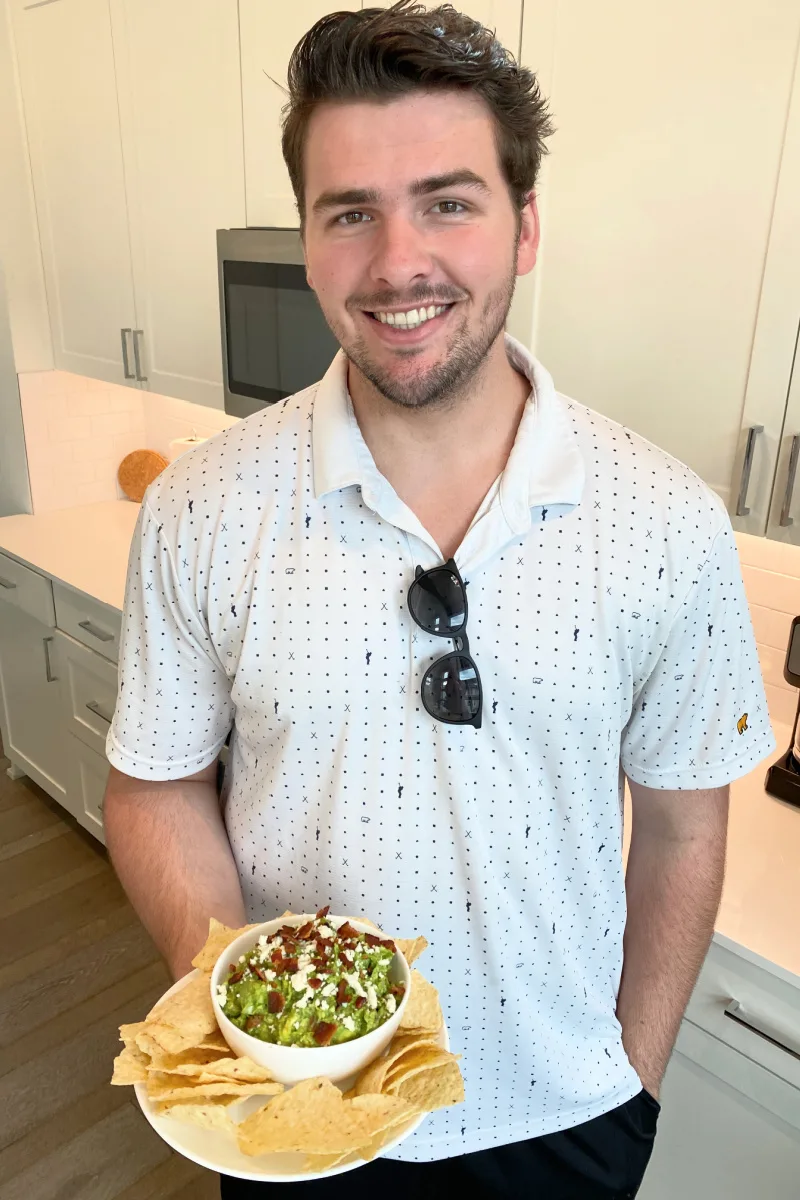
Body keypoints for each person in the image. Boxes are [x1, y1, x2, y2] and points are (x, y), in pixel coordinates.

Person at [103, 3, 775, 1197]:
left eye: (447, 201)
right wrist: (252, 1017)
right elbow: (155, 784)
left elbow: (681, 826)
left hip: (566, 1115)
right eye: (348, 212)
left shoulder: (665, 521)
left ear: (523, 228)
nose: (396, 261)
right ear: (306, 238)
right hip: (291, 1107)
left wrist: (635, 1081)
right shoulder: (200, 509)